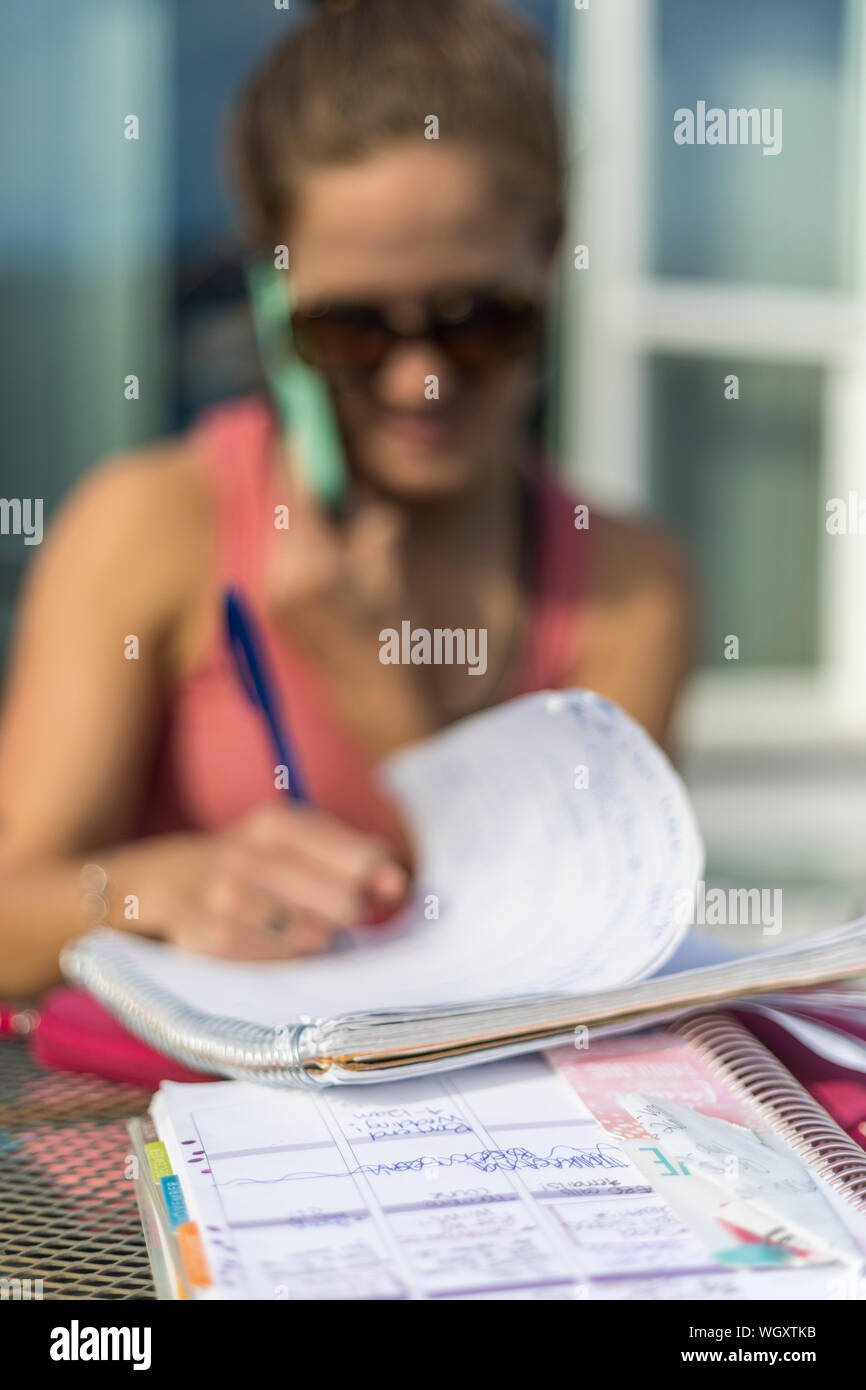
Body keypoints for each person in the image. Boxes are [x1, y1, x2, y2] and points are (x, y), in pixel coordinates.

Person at [0, 0, 694, 995]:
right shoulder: (150, 525)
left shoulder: (631, 582)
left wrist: (374, 686)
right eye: (355, 331)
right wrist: (157, 888)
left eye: (478, 322)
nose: (420, 382)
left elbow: (586, 938)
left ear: (551, 261)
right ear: (272, 302)